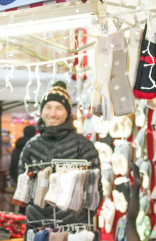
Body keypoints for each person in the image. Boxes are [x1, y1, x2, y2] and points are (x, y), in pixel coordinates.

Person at [19, 82, 100, 226]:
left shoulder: (82, 145)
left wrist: (79, 215)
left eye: (59, 108)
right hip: (37, 223)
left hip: (72, 225)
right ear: (42, 110)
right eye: (48, 107)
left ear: (67, 112)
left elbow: (94, 186)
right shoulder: (31, 145)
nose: (52, 114)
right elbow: (21, 182)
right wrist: (31, 210)